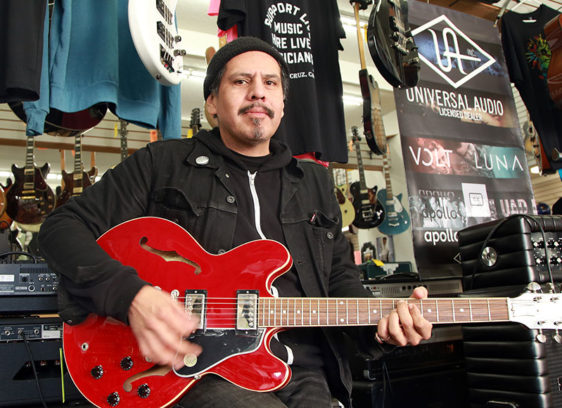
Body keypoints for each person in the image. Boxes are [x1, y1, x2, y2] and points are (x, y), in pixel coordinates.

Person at [38, 37, 432, 408]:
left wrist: (383, 326)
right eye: (241, 81)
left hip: (306, 370)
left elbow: (340, 281)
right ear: (211, 102)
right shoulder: (163, 164)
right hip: (200, 369)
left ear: (281, 103)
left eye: (270, 82)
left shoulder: (314, 182)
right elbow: (60, 229)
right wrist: (132, 296)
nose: (257, 91)